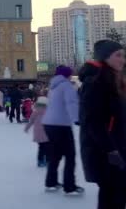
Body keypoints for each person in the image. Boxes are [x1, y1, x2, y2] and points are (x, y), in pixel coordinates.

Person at [79, 40, 126, 208]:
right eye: (118, 55)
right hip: (107, 153)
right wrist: (111, 150)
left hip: (118, 147)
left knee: (115, 195)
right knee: (113, 196)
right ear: (105, 58)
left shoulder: (115, 80)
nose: (123, 60)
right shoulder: (96, 83)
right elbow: (93, 121)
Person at [42, 65, 83, 195]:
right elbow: (71, 102)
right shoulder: (66, 85)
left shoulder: (53, 86)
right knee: (70, 156)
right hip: (61, 125)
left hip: (48, 124)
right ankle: (69, 186)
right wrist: (77, 119)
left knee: (54, 155)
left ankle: (51, 182)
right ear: (67, 75)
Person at [24, 96, 49, 167]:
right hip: (47, 132)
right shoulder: (49, 111)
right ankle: (47, 160)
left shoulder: (35, 112)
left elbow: (31, 121)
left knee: (41, 147)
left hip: (38, 133)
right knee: (48, 147)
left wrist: (27, 128)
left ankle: (40, 161)